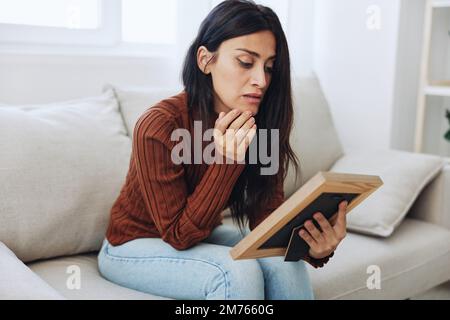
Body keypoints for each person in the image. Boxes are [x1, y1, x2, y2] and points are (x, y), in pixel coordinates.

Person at [98, 0, 348, 300]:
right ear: (205, 60)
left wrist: (313, 248)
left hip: (200, 233)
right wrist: (228, 159)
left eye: (269, 68)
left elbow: (266, 223)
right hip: (131, 246)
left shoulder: (258, 124)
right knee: (235, 271)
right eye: (245, 62)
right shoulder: (159, 125)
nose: (261, 80)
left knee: (282, 261)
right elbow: (179, 235)